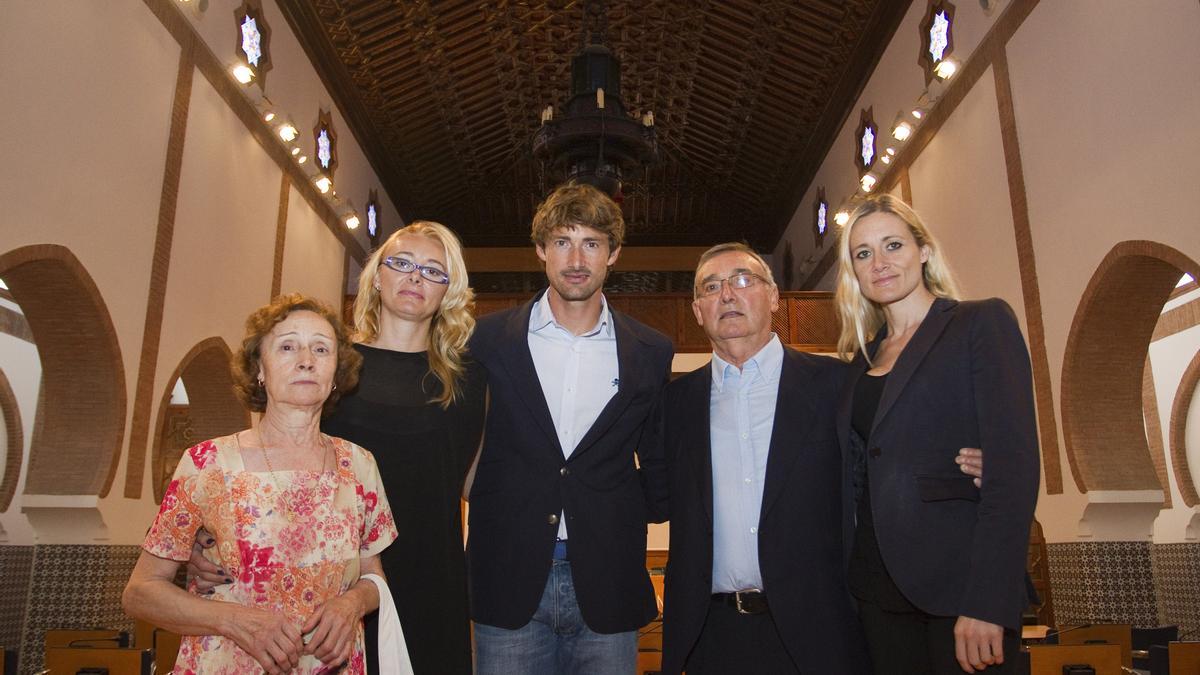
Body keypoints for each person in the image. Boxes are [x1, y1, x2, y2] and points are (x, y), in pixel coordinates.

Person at [190, 222, 487, 674]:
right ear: (377, 275)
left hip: (432, 572)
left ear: (450, 290)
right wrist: (207, 539)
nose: (414, 278)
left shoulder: (469, 379)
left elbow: (474, 482)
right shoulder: (331, 363)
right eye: (402, 264)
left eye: (432, 271)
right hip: (327, 575)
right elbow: (266, 467)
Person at [123, 294, 397, 674]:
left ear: (336, 374)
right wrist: (234, 621)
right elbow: (140, 592)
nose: (306, 360)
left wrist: (351, 605)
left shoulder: (360, 464)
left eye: (321, 349)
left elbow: (373, 575)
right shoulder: (206, 463)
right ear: (259, 370)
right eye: (287, 346)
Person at [467, 182, 673, 674]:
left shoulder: (650, 349)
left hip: (607, 576)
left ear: (613, 254)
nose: (576, 257)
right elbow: (461, 447)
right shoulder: (487, 341)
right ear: (541, 251)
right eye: (562, 241)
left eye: (592, 243)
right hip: (507, 573)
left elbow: (661, 463)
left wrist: (613, 503)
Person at [834, 195, 1039, 674]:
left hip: (958, 589)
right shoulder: (858, 363)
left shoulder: (978, 323)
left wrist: (988, 601)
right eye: (863, 253)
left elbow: (1015, 469)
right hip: (874, 591)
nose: (879, 263)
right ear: (853, 271)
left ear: (923, 251)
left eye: (892, 245)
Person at [658, 243, 871, 674]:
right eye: (711, 287)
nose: (728, 295)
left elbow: (878, 483)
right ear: (698, 310)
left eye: (742, 280)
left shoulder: (837, 387)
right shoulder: (674, 404)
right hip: (712, 636)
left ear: (774, 297)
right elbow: (653, 495)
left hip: (819, 632)